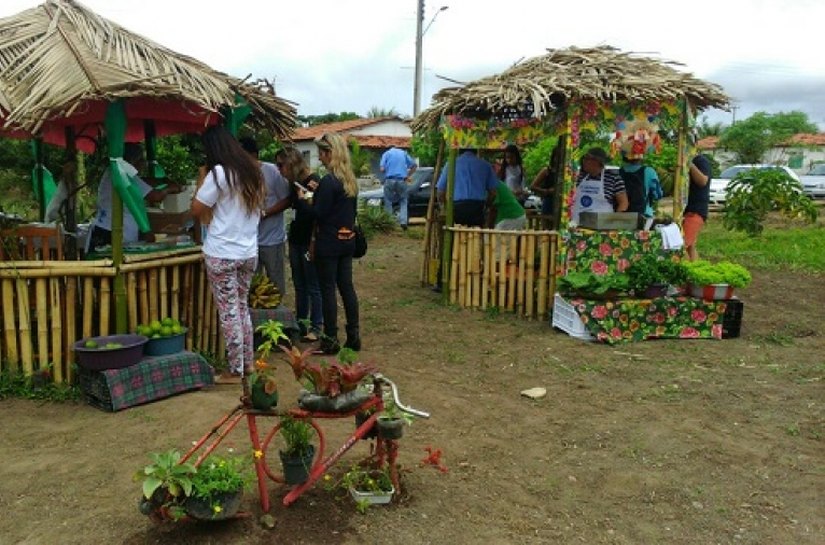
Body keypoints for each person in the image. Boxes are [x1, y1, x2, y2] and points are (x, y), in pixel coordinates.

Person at [190, 126, 264, 380]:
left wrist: (203, 177)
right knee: (241, 308)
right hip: (248, 251)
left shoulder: (219, 173)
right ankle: (248, 364)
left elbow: (197, 209)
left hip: (222, 251)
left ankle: (236, 369)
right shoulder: (253, 171)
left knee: (229, 311)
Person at [294, 132, 360, 354]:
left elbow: (319, 214)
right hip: (347, 240)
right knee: (347, 287)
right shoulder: (349, 180)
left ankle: (330, 339)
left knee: (328, 290)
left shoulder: (329, 181)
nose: (320, 158)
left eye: (321, 154)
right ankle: (353, 336)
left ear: (330, 153)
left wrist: (304, 200)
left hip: (329, 243)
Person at [86, 142, 178, 253]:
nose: (143, 164)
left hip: (102, 228)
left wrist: (162, 181)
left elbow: (142, 181)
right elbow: (155, 196)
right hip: (113, 234)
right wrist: (170, 188)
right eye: (141, 160)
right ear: (133, 161)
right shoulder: (124, 175)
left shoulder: (114, 170)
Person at [279, 146, 324, 342]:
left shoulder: (313, 181)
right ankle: (301, 322)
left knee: (313, 284)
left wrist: (314, 241)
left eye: (282, 165)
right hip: (296, 237)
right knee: (299, 284)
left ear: (292, 163)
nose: (280, 170)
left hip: (309, 240)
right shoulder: (294, 182)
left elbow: (315, 214)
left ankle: (316, 325)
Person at [239, 137, 291, 297]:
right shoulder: (239, 175)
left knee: (275, 284)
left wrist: (265, 213)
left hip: (272, 239)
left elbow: (287, 200)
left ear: (253, 154)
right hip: (249, 241)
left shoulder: (273, 172)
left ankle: (278, 316)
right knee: (252, 287)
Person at [436, 148, 498, 227]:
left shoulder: (451, 164)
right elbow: (493, 193)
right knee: (476, 235)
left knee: (456, 235)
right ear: (476, 150)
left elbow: (440, 192)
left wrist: (445, 208)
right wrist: (486, 206)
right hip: (477, 208)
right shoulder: (485, 165)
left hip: (457, 208)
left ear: (459, 150)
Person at [571, 147, 628, 225]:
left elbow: (623, 203)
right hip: (576, 225)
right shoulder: (579, 176)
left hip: (601, 228)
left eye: (587, 158)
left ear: (597, 162)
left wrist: (615, 222)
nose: (583, 161)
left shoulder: (613, 178)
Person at [379, 145, 417, 230]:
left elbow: (382, 169)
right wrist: (407, 175)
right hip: (402, 180)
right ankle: (403, 222)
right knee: (403, 201)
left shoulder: (387, 153)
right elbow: (414, 166)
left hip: (390, 180)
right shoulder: (404, 153)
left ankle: (388, 222)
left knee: (388, 201)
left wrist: (388, 171)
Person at [619, 152, 662, 226]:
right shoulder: (649, 171)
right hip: (644, 217)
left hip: (621, 216)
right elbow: (658, 195)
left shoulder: (619, 172)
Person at [683, 154, 712, 261]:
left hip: (696, 210)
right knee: (690, 246)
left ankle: (687, 272)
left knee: (683, 245)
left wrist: (690, 164)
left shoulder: (700, 161)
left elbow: (703, 180)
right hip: (687, 210)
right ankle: (694, 271)